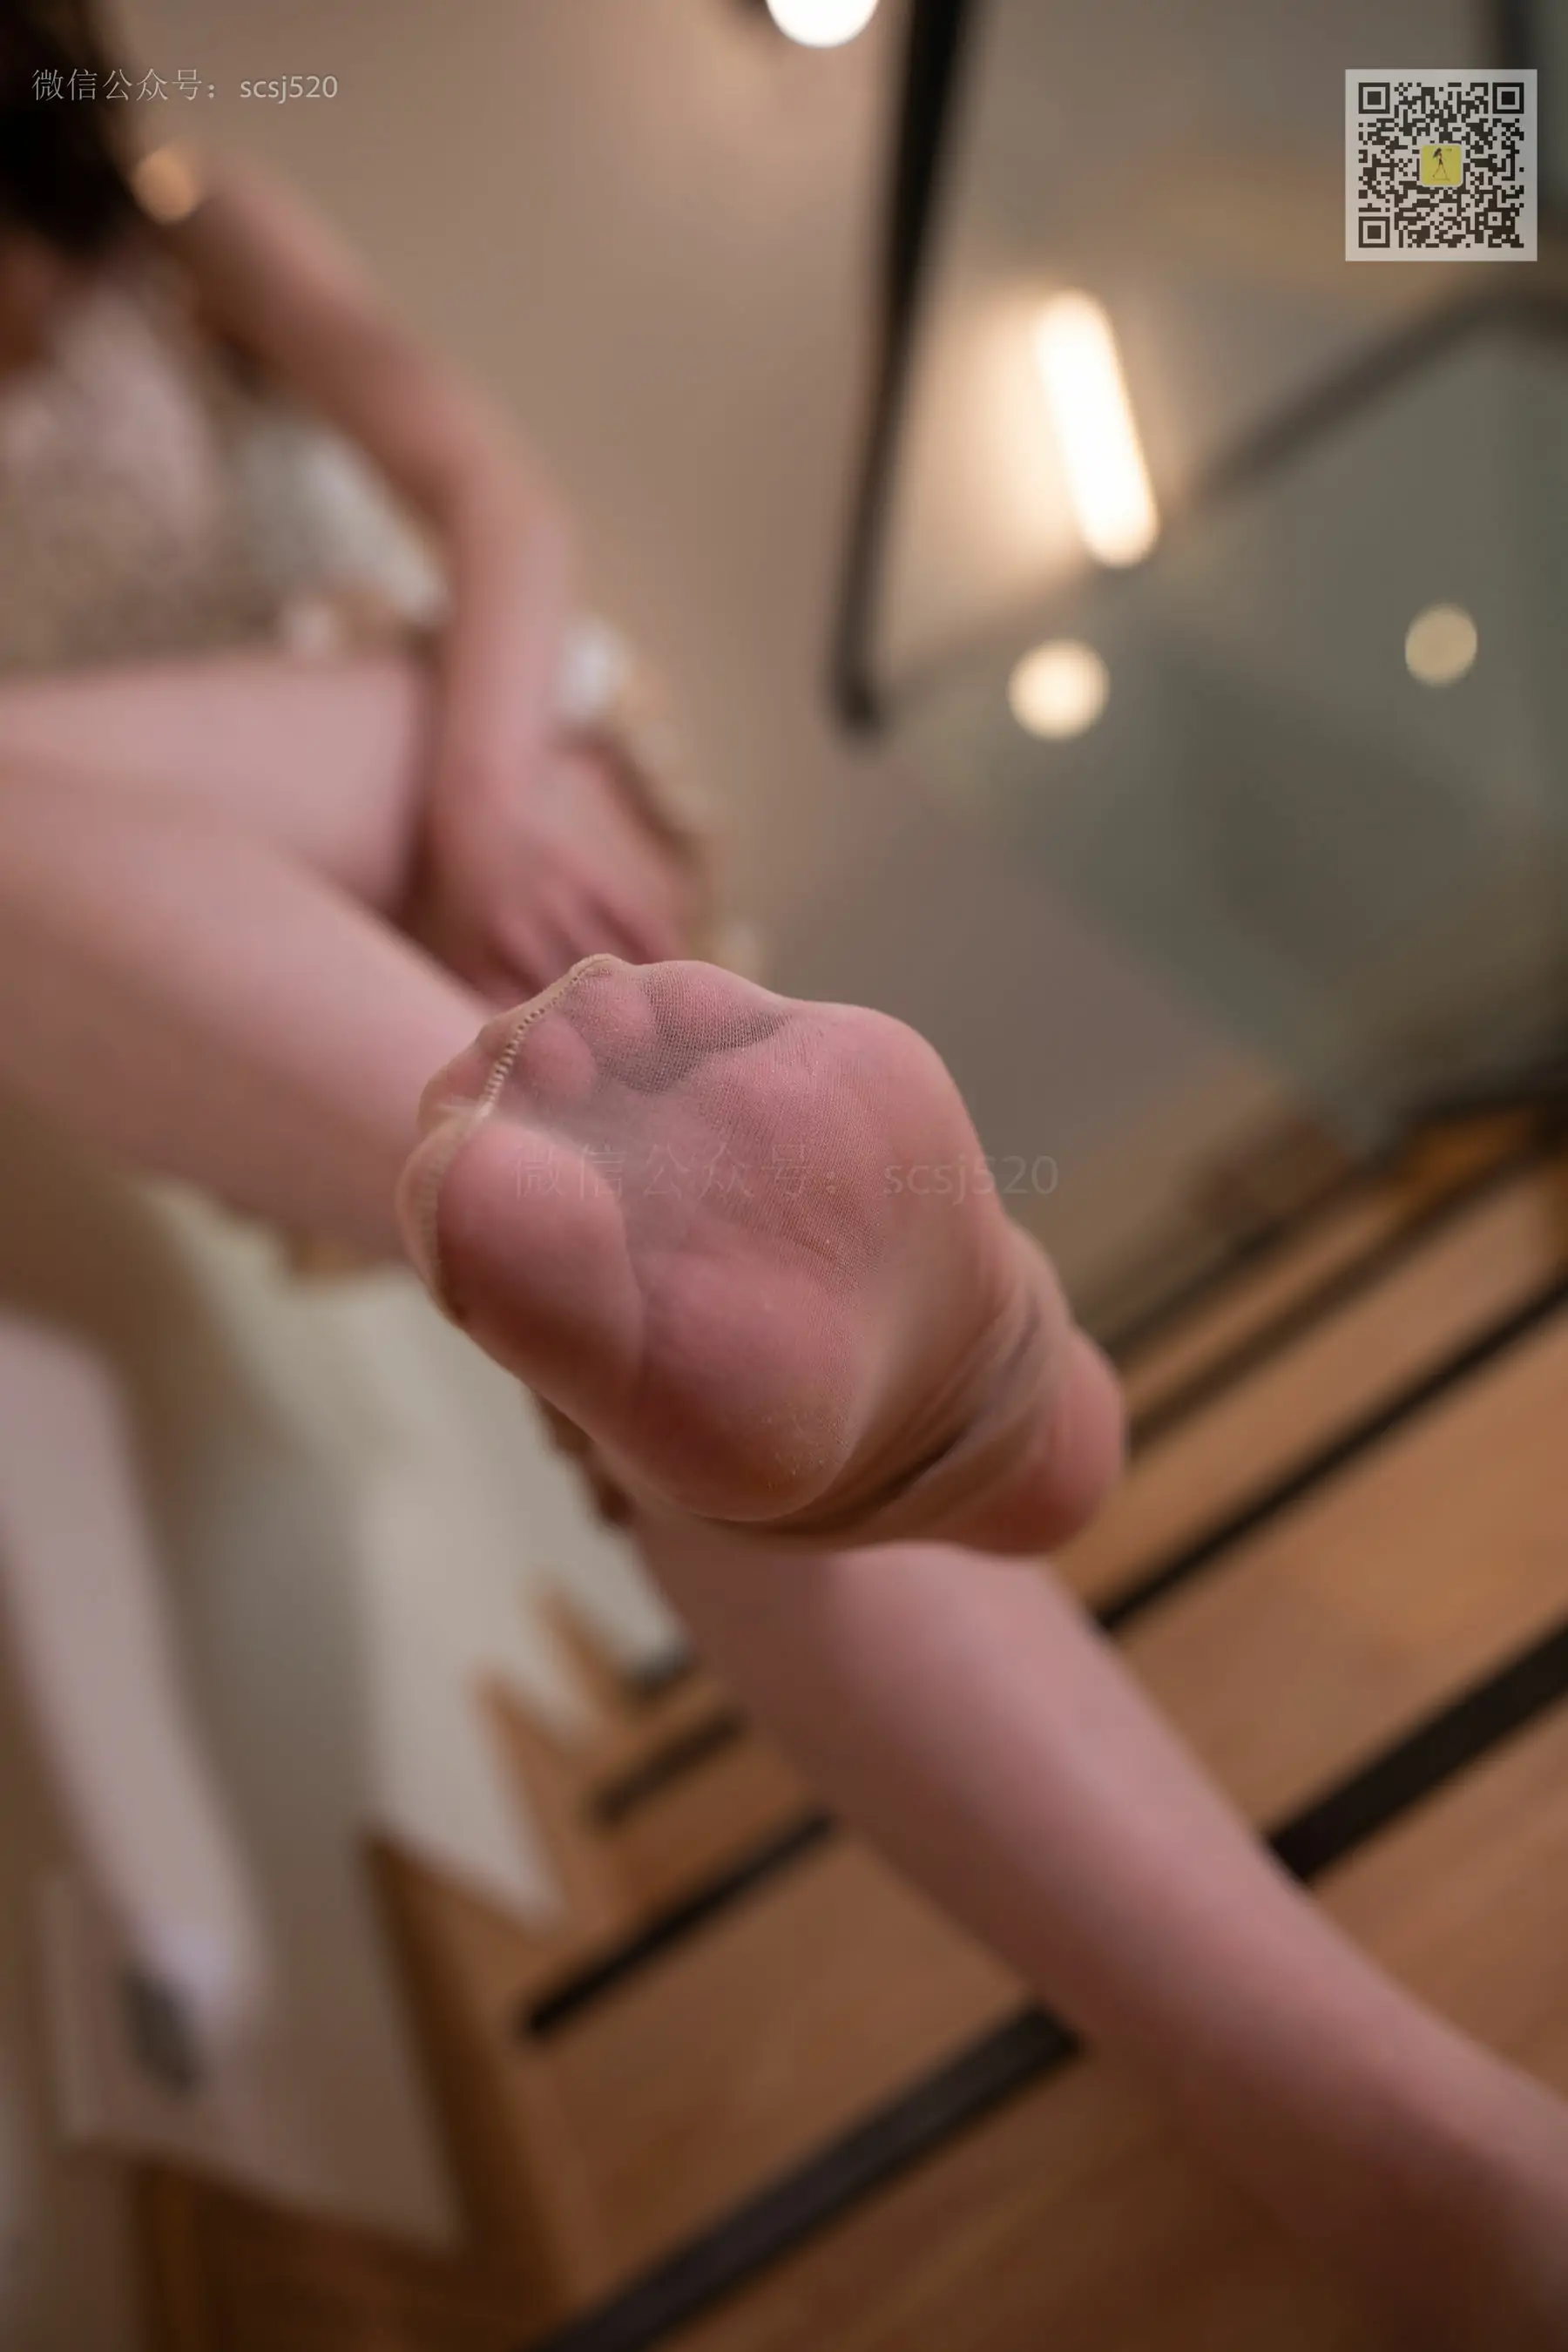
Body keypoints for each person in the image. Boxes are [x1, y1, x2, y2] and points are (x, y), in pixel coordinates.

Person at [0, 10, 1564, 2345]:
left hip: (476, 773)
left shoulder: (191, 230)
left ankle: (807, 1287)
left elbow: (490, 495)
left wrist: (476, 809)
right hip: (259, 981)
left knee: (600, 1271)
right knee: (665, 1401)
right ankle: (1434, 2169)